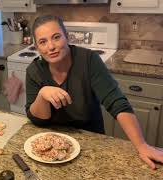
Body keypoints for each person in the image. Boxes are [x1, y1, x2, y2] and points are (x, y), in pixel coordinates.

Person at [25, 15, 163, 169]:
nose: (51, 47)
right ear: (37, 47)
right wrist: (42, 94)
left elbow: (115, 101)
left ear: (67, 37)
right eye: (43, 42)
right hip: (50, 145)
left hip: (90, 139)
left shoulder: (88, 60)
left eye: (56, 37)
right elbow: (38, 120)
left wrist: (142, 145)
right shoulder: (34, 71)